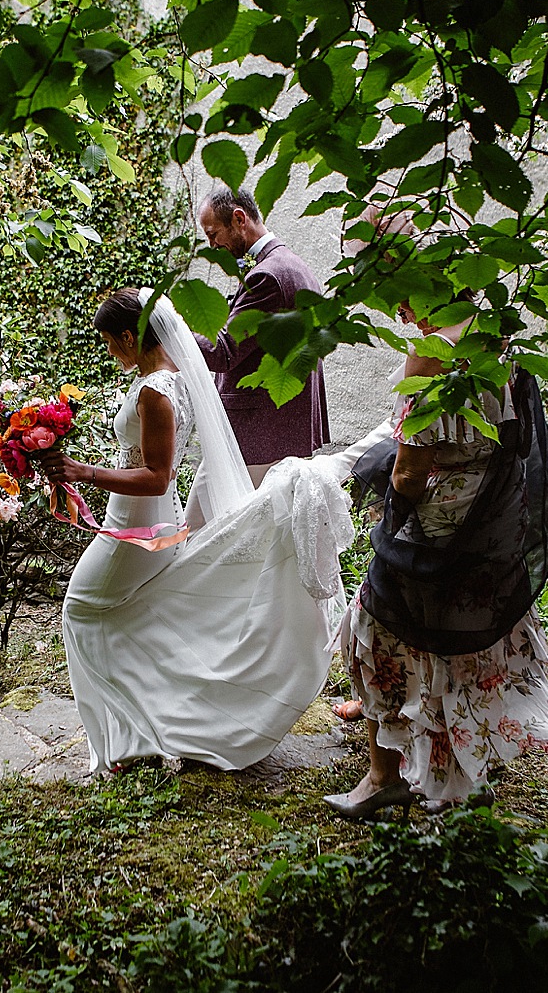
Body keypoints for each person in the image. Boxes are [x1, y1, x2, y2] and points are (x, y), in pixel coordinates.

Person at [37, 288, 354, 774]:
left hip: (137, 525)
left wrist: (83, 472)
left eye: (110, 342)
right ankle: (147, 730)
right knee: (133, 615)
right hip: (148, 517)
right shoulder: (174, 379)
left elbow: (157, 476)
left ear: (129, 335)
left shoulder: (155, 391)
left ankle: (132, 735)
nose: (108, 352)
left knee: (82, 610)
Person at [323, 300, 548, 818]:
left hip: (436, 527)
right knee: (463, 641)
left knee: (374, 626)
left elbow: (409, 474)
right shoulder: (496, 332)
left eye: (395, 283)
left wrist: (392, 514)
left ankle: (382, 777)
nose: (396, 308)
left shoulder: (430, 351)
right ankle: (461, 775)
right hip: (489, 521)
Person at [189, 187, 330, 526]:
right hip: (278, 428)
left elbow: (223, 352)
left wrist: (170, 328)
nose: (212, 246)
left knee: (196, 533)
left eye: (213, 234)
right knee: (252, 539)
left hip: (256, 432)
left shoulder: (267, 276)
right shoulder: (291, 265)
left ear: (239, 219)